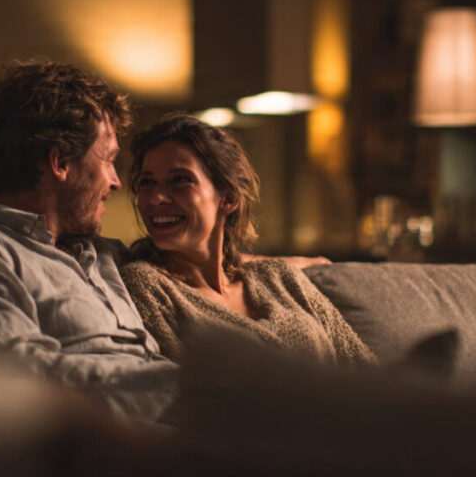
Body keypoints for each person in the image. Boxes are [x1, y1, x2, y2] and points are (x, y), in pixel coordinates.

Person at [0, 61, 178, 424]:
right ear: (59, 162)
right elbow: (20, 381)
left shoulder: (100, 254)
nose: (117, 181)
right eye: (108, 160)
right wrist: (185, 392)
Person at [120, 114, 376, 366]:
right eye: (147, 183)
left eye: (180, 181)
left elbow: (364, 367)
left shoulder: (280, 277)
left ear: (228, 198)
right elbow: (179, 391)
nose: (156, 199)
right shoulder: (148, 286)